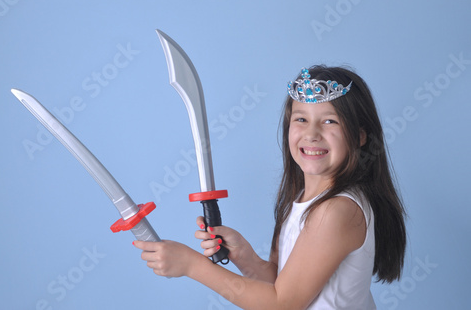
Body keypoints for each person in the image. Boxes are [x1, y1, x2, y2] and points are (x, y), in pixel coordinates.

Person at [134, 65, 407, 309]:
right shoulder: (301, 198)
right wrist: (247, 259)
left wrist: (191, 265)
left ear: (360, 136)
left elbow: (282, 304)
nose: (312, 134)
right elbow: (281, 284)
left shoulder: (336, 211)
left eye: (329, 121)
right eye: (301, 119)